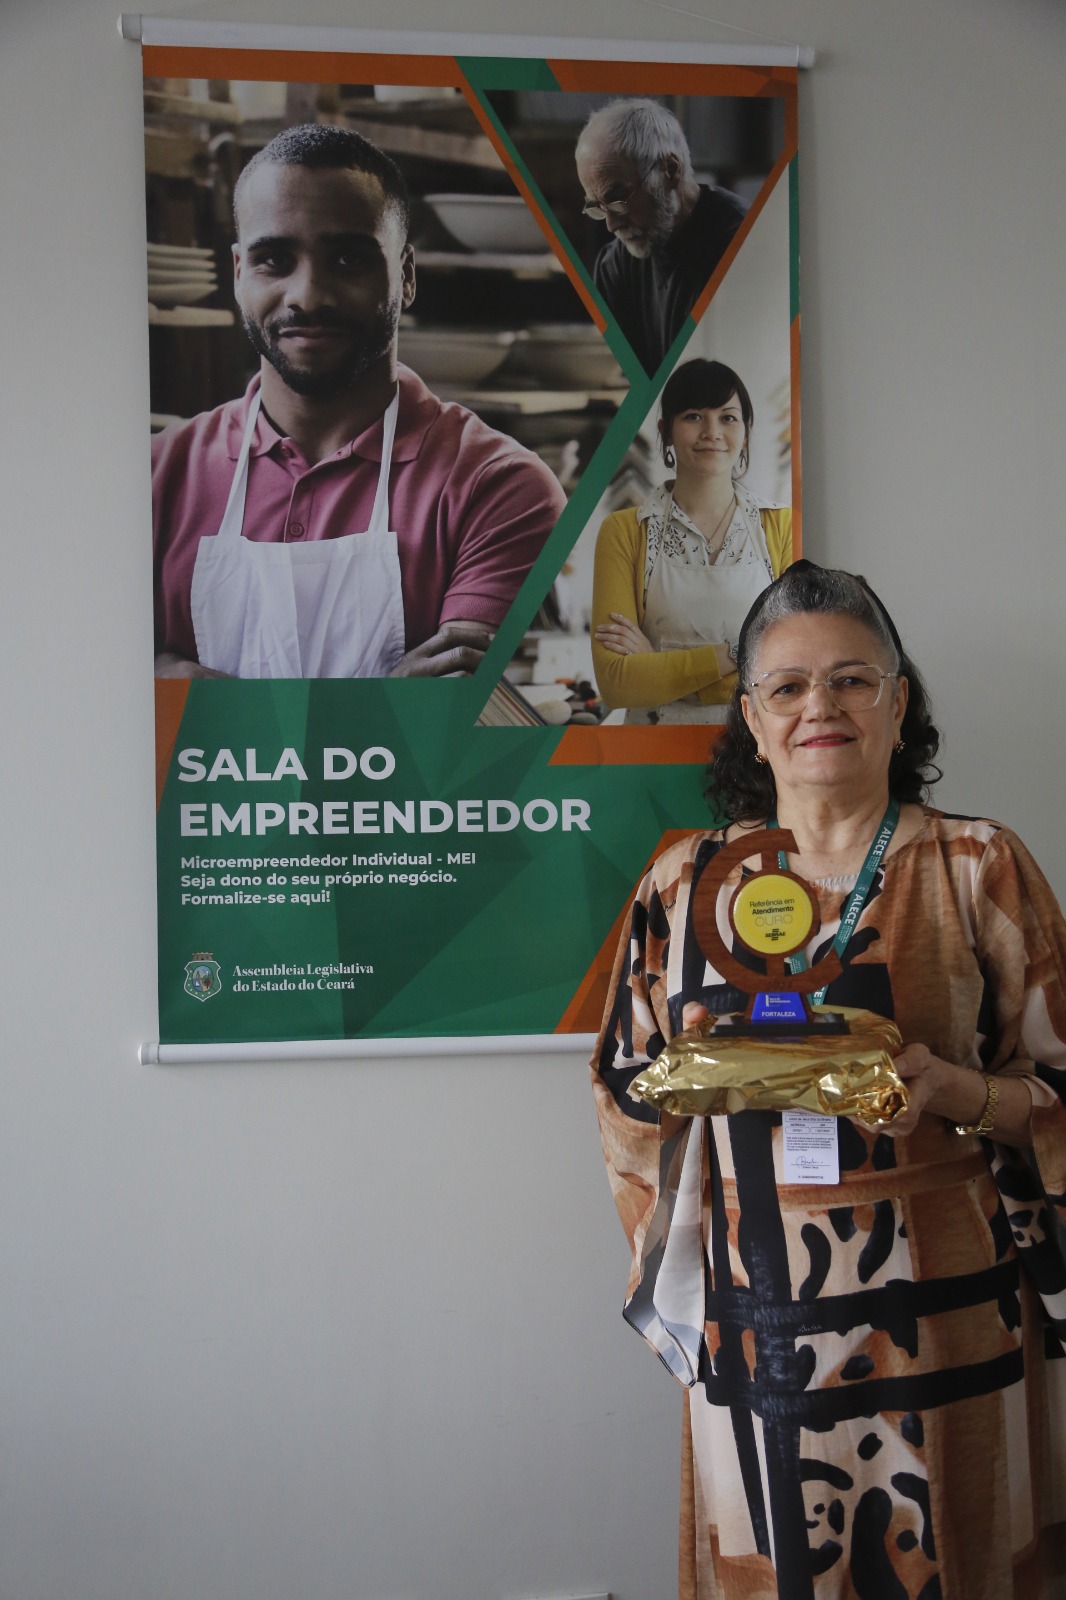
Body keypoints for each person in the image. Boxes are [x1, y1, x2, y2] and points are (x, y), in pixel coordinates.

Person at [591, 562, 1066, 1597]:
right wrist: (694, 1078)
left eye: (853, 679)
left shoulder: (978, 865)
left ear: (898, 704)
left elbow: (1063, 1088)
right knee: (776, 1567)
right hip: (753, 1312)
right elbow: (623, 1094)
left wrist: (956, 1092)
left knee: (960, 1560)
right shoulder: (683, 884)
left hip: (951, 1312)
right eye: (788, 686)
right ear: (751, 720)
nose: (821, 707)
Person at [152, 123, 565, 680]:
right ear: (238, 273)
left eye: (348, 260)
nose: (307, 296)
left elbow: (445, 718)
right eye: (274, 259)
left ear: (406, 275)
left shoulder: (497, 487)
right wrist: (383, 701)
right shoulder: (155, 477)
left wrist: (188, 695)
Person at [591, 359, 791, 724]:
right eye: (693, 416)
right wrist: (737, 654)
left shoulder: (781, 526)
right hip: (652, 750)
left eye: (728, 418)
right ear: (665, 431)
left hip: (756, 749)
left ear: (746, 433)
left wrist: (659, 669)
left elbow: (792, 673)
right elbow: (617, 684)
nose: (711, 432)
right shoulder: (624, 531)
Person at [575, 100, 747, 375]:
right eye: (597, 207)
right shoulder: (614, 268)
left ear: (670, 170)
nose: (611, 225)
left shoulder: (742, 247)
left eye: (619, 199)